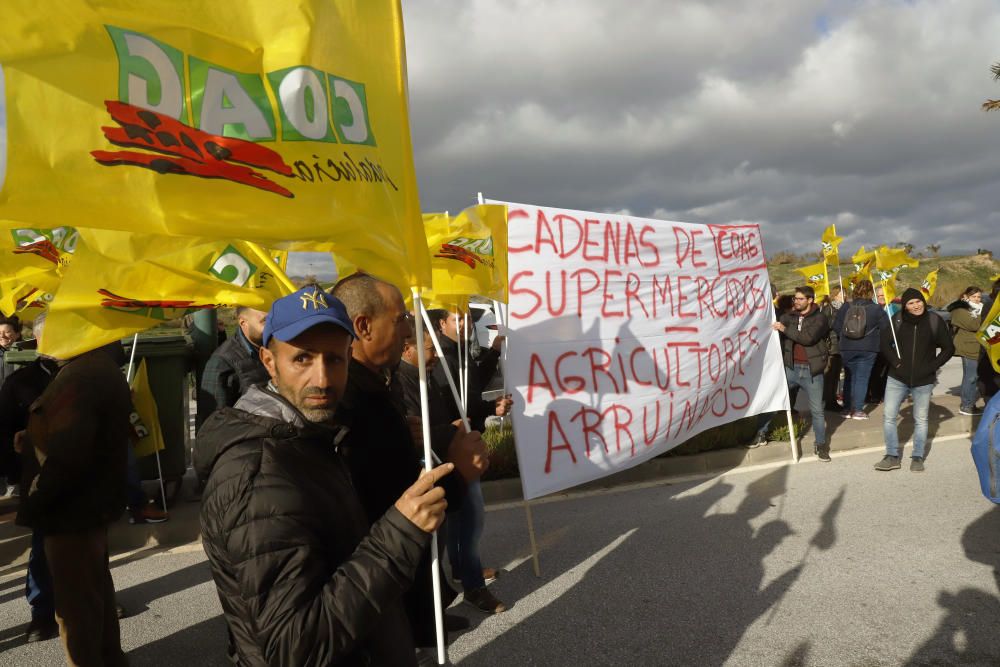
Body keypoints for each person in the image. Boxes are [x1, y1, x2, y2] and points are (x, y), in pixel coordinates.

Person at [196, 285, 454, 665]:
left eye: (334, 360)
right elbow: (294, 647)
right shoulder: (258, 473)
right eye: (302, 359)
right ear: (269, 362)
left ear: (350, 358)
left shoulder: (310, 437)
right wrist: (400, 532)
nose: (321, 379)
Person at [331, 274, 495, 649]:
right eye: (401, 318)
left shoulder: (375, 386)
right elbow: (392, 505)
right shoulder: (352, 403)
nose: (408, 331)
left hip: (399, 587)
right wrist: (458, 474)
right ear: (363, 327)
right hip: (381, 593)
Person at [15, 342, 132, 666]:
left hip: (70, 512)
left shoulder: (79, 378)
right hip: (89, 507)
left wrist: (36, 500)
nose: (42, 344)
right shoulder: (95, 368)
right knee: (94, 596)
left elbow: (66, 458)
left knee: (76, 607)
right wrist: (32, 439)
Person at [0, 316, 58, 643]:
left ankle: (97, 600)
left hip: (84, 478)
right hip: (39, 479)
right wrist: (14, 473)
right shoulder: (20, 382)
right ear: (38, 340)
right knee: (42, 545)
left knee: (91, 544)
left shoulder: (88, 377)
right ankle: (42, 612)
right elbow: (4, 432)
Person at [874, 288, 955, 472]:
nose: (916, 305)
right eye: (911, 303)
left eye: (918, 301)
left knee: (920, 419)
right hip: (897, 378)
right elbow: (884, 343)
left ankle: (917, 456)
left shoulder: (935, 320)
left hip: (924, 380)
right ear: (905, 306)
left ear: (923, 302)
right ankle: (892, 456)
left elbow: (948, 348)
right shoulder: (898, 319)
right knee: (888, 416)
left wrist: (932, 366)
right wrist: (896, 362)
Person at [772, 286, 831, 461]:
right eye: (795, 299)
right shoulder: (788, 316)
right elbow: (776, 327)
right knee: (774, 399)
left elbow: (807, 338)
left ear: (810, 300)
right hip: (791, 368)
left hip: (811, 372)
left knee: (817, 411)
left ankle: (821, 446)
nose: (796, 301)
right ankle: (759, 433)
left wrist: (784, 329)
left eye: (800, 299)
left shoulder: (820, 318)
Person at [198, 307, 268, 419]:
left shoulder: (279, 347)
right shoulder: (222, 362)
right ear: (243, 323)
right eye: (265, 321)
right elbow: (214, 421)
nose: (273, 326)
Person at [833, 280, 889, 419]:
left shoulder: (846, 306)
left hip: (847, 347)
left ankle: (846, 409)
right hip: (868, 347)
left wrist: (846, 336)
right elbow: (886, 328)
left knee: (849, 378)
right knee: (862, 379)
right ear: (871, 292)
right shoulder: (876, 309)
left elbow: (836, 326)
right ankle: (858, 410)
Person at [947, 286, 984, 415]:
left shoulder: (979, 309)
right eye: (974, 296)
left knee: (975, 377)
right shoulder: (960, 309)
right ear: (966, 296)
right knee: (971, 377)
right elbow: (974, 325)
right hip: (968, 348)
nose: (977, 299)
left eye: (979, 297)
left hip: (978, 347)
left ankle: (969, 403)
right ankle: (966, 406)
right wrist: (984, 315)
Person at [820, 288, 844, 412]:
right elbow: (825, 327)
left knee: (836, 376)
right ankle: (829, 401)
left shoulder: (844, 308)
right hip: (832, 346)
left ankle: (832, 400)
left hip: (841, 346)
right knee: (830, 375)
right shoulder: (828, 309)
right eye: (841, 294)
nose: (843, 296)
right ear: (835, 296)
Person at [0, 315, 23, 387]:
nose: (2, 336)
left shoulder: (27, 356)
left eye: (7, 332)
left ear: (17, 334)